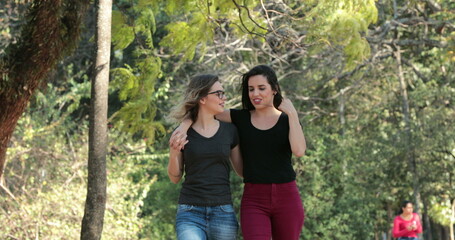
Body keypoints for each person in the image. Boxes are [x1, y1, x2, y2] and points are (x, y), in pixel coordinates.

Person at [171, 65, 306, 240]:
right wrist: (184, 125)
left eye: (261, 88)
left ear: (274, 90)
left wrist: (293, 114)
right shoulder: (240, 118)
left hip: (287, 196)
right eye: (251, 89)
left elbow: (299, 150)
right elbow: (203, 111)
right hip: (254, 198)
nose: (255, 94)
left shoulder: (287, 120)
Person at [167, 74, 243, 240]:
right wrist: (174, 153)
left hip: (223, 212)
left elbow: (242, 171)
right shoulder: (182, 133)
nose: (224, 97)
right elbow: (175, 178)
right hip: (189, 212)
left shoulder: (230, 131)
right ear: (202, 98)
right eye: (219, 94)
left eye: (223, 93)